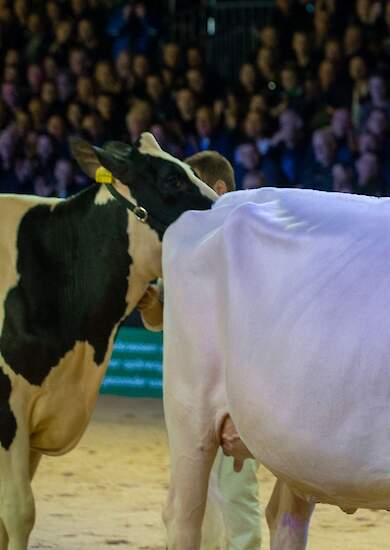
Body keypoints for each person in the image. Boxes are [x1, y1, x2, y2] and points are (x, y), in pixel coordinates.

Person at [135, 151, 262, 550]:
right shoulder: (184, 248)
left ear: (217, 189)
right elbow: (159, 322)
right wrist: (150, 302)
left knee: (236, 490)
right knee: (189, 493)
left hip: (232, 394)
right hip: (188, 397)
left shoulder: (248, 244)